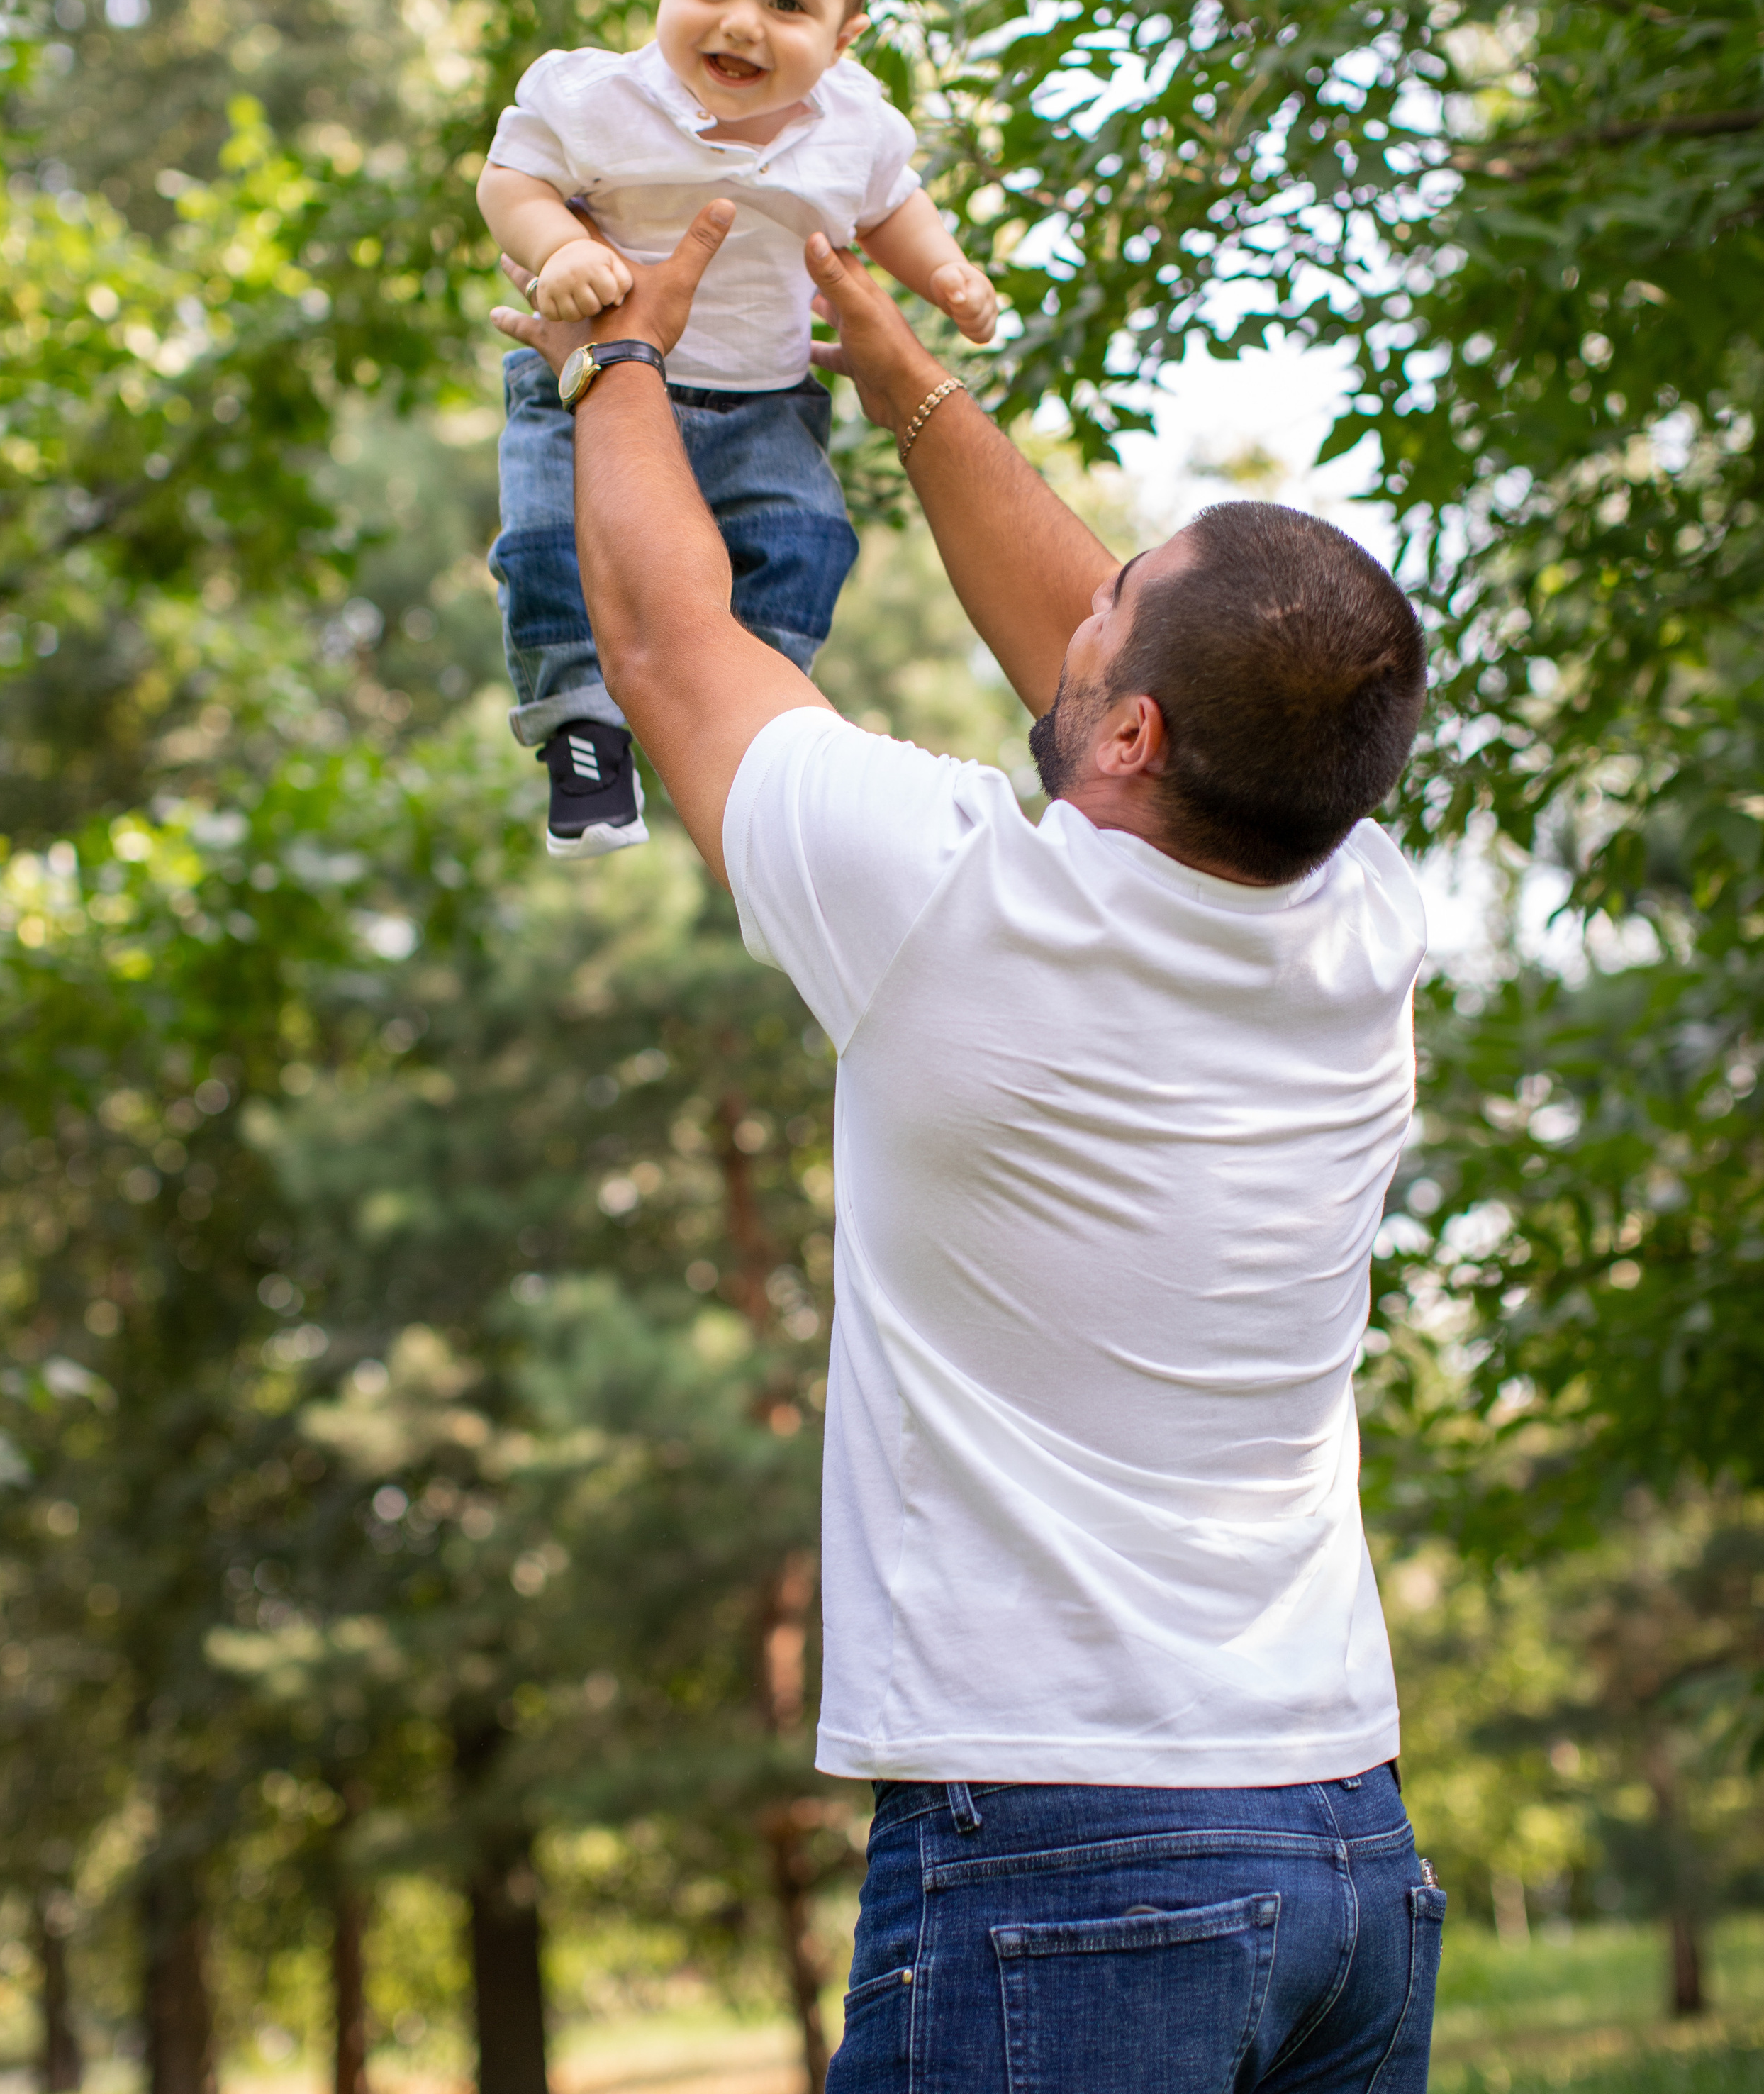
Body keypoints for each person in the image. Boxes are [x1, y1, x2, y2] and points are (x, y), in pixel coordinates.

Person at [491, 208, 1444, 2091]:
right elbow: (1169, 676)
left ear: (1137, 726)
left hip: (1072, 1854)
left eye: (1107, 610)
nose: (1072, 605)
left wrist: (607, 365)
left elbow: (672, 647)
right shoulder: (1364, 913)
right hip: (1345, 1837)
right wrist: (899, 370)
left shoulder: (950, 908)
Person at [476, 0, 997, 857]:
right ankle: (584, 734)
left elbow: (893, 206)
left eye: (788, 5)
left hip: (764, 402)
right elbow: (510, 180)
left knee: (805, 539)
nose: (741, 24)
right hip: (590, 382)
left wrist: (944, 274)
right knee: (545, 547)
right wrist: (559, 248)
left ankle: (753, 711)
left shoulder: (856, 127)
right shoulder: (594, 97)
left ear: (846, 34)